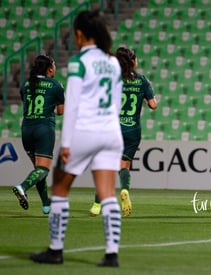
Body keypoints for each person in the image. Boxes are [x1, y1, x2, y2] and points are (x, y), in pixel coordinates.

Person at [30, 10, 123, 267]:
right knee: (107, 193)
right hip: (111, 132)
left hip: (85, 130)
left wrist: (67, 143)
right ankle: (112, 254)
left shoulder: (78, 62)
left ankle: (55, 250)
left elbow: (71, 106)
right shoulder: (114, 62)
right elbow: (115, 104)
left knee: (59, 187)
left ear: (80, 34)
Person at [89, 47, 158, 217]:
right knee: (124, 165)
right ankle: (124, 190)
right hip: (133, 129)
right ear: (133, 61)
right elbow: (153, 104)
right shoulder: (142, 80)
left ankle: (97, 205)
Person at [12, 55, 64, 215]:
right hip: (44, 129)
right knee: (43, 168)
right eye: (54, 65)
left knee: (38, 169)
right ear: (49, 69)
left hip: (27, 129)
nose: (55, 68)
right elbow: (61, 111)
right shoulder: (55, 85)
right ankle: (23, 187)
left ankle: (46, 205)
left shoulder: (26, 84)